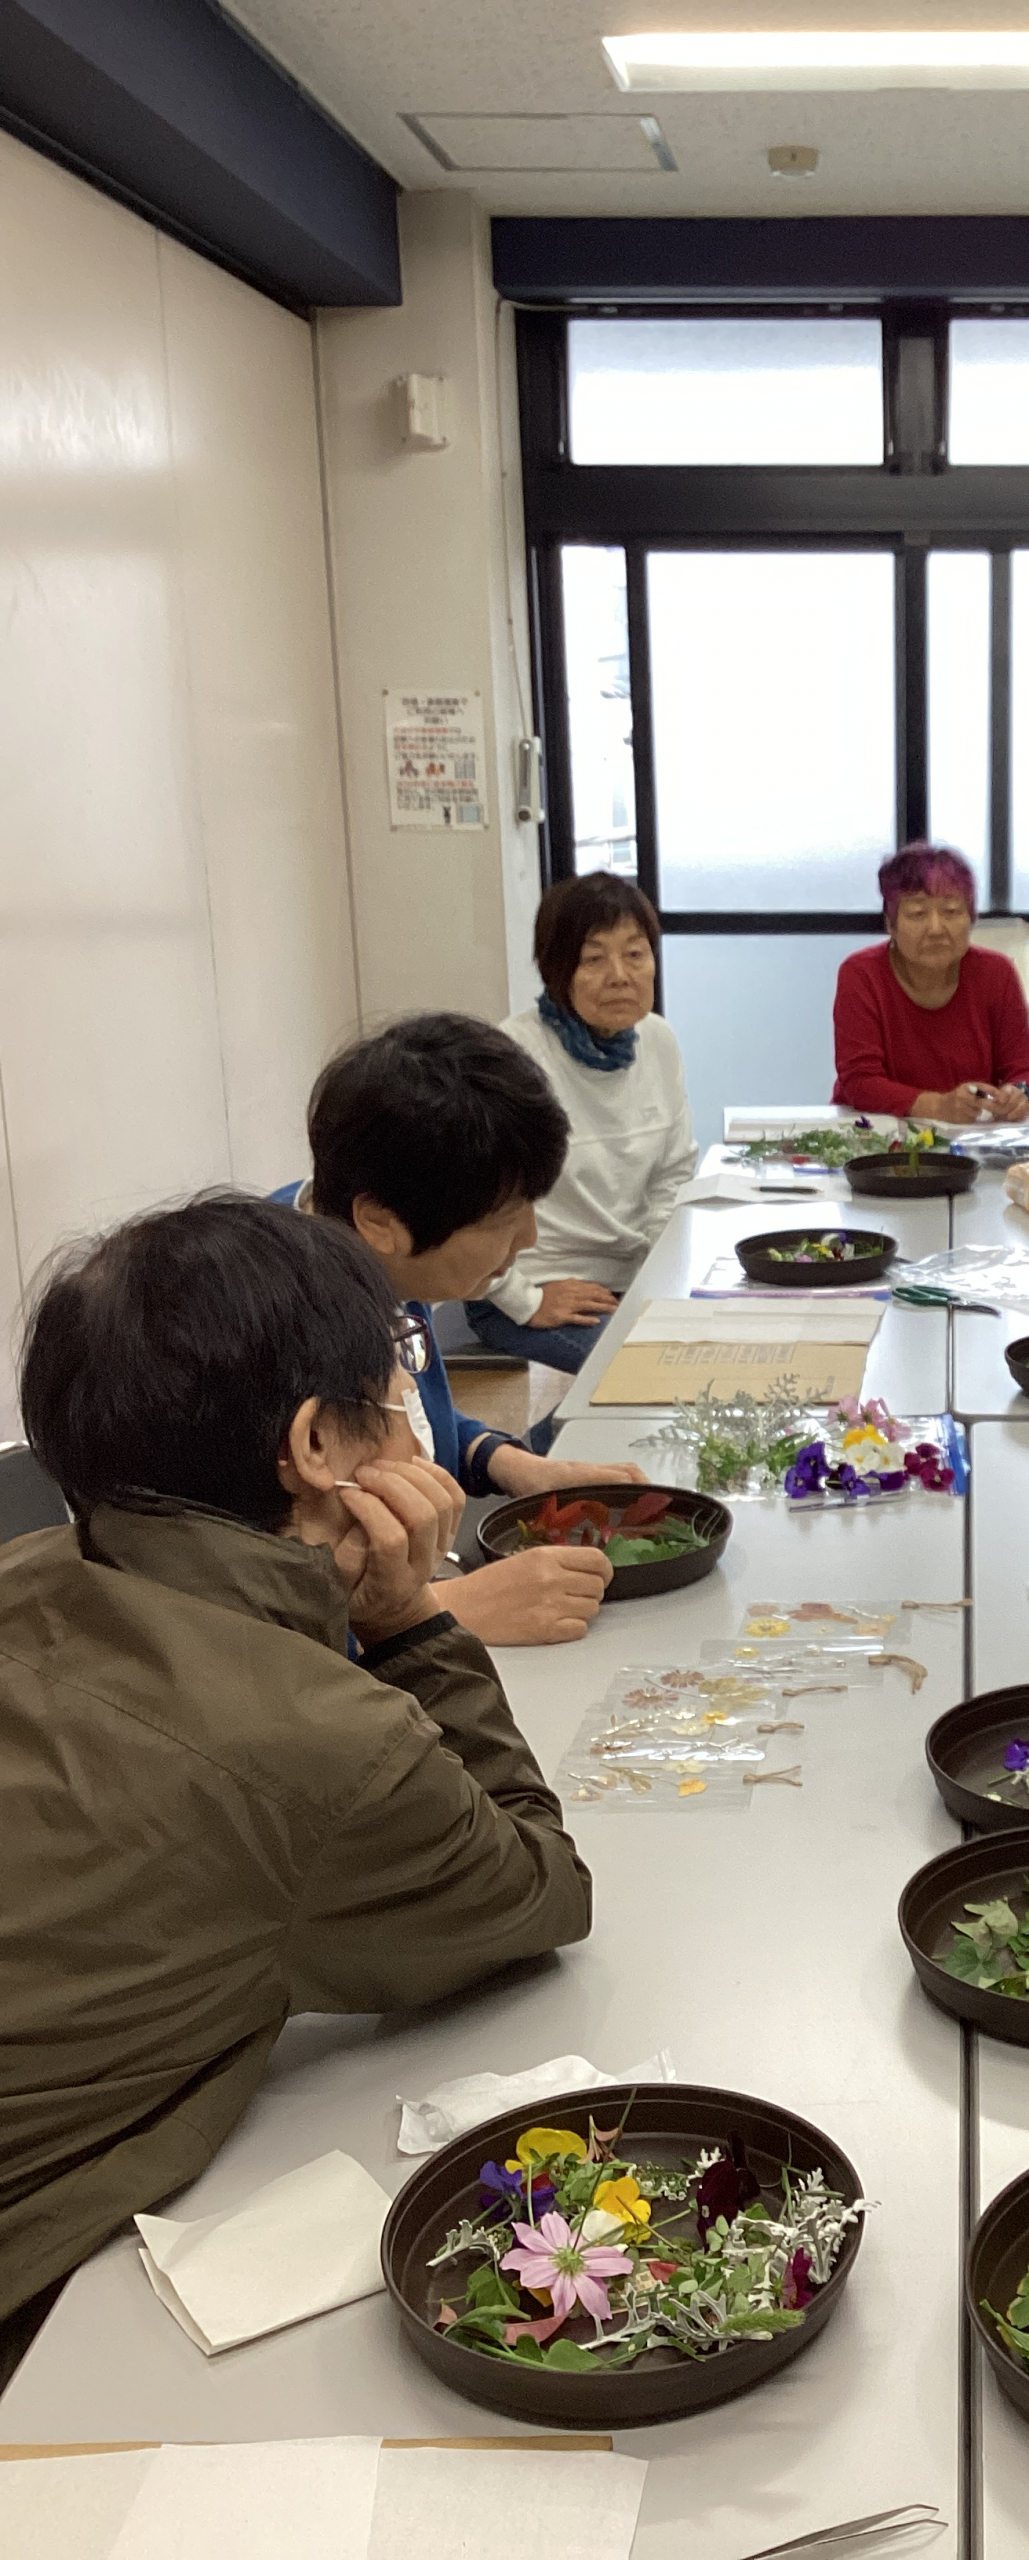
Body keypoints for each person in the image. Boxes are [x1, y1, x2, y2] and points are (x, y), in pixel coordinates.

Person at [0, 1194, 592, 2346]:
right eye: (394, 1394)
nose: (415, 1426)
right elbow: (539, 1894)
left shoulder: (29, 1568)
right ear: (318, 1446)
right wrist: (411, 1623)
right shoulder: (323, 1748)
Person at [287, 1013, 648, 1647]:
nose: (529, 1238)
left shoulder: (377, 1257)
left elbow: (424, 1426)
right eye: (504, 1219)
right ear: (380, 1221)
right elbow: (246, 1614)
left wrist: (513, 1466)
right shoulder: (263, 1332)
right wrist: (437, 1609)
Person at [465, 874, 696, 1393]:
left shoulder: (658, 1040)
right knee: (653, 1383)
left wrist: (658, 1278)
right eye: (594, 959)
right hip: (532, 1286)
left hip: (631, 1280)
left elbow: (673, 1174)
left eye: (635, 954)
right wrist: (524, 1298)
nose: (620, 976)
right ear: (556, 970)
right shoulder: (513, 1055)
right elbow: (470, 1200)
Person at [832, 845, 1029, 1122]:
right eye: (918, 913)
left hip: (971, 1135)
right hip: (874, 1131)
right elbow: (860, 1081)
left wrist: (1021, 1095)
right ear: (891, 924)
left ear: (971, 919)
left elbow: (1027, 1071)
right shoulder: (861, 974)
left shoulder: (997, 973)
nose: (935, 929)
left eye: (951, 911)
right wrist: (936, 1107)